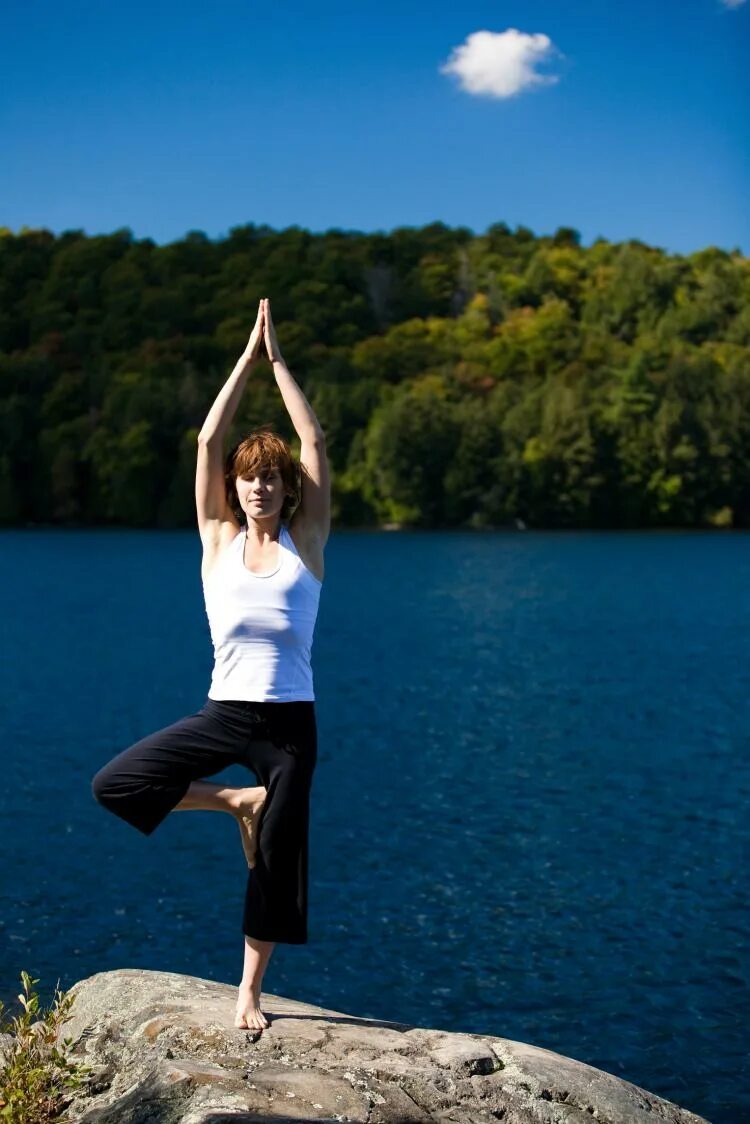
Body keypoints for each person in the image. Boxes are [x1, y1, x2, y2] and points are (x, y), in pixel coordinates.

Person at [91, 298, 330, 1031]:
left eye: (273, 478)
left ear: (288, 489)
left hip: (290, 726)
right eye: (250, 477)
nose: (261, 486)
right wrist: (244, 358)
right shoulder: (216, 541)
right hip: (225, 712)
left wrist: (280, 362)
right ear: (236, 486)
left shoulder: (307, 545)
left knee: (279, 860)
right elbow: (205, 439)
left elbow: (314, 439)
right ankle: (234, 803)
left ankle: (250, 992)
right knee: (119, 783)